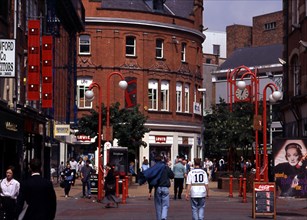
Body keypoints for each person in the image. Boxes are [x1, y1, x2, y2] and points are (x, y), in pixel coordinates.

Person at [151, 156, 174, 220]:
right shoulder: (165, 167)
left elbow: (151, 179)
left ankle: (159, 218)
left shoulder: (154, 168)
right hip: (165, 187)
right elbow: (172, 176)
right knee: (165, 204)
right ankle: (164, 217)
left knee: (158, 205)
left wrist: (150, 190)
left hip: (157, 187)